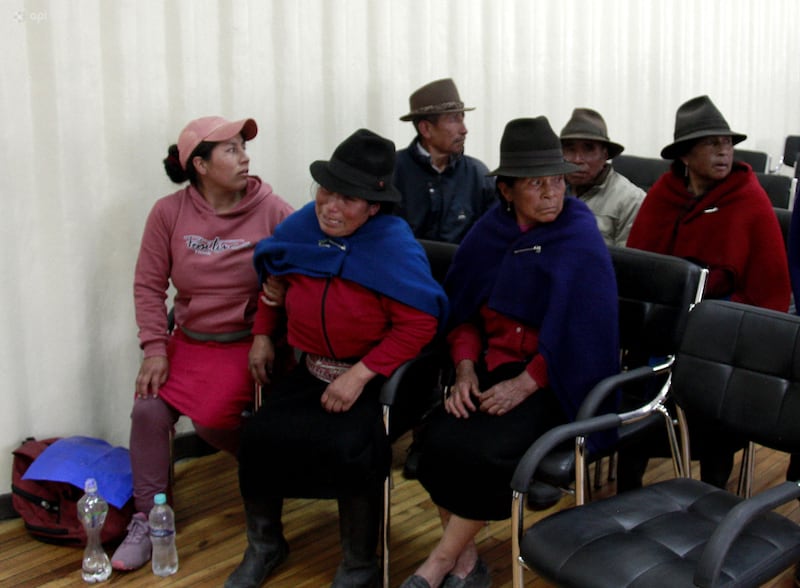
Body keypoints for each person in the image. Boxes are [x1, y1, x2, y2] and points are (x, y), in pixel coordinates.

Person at [400, 117, 620, 588]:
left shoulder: (577, 234)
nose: (551, 194)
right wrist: (463, 370)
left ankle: (439, 562)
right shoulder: (488, 234)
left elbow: (587, 332)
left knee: (487, 451)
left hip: (554, 375)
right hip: (487, 366)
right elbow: (464, 314)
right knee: (435, 439)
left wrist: (528, 381)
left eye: (557, 181)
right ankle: (466, 563)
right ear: (506, 190)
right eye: (536, 184)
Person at [226, 129, 448, 588]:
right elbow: (274, 278)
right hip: (310, 370)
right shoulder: (303, 228)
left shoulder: (393, 244)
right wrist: (263, 336)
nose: (330, 206)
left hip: (376, 378)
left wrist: (360, 376)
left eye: (348, 199)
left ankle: (358, 562)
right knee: (258, 436)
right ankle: (265, 545)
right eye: (327, 191)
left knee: (353, 448)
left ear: (373, 206)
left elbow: (419, 325)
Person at [112, 116, 294, 571]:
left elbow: (298, 272)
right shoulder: (168, 212)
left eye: (243, 147)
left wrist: (269, 325)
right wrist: (155, 347)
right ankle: (151, 521)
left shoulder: (272, 210)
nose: (245, 156)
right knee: (147, 408)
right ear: (200, 164)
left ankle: (273, 471)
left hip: (247, 343)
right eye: (230, 149)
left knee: (214, 420)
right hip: (189, 340)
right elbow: (149, 285)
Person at [621, 95, 791, 490]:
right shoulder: (664, 197)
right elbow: (642, 273)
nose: (724, 151)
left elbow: (771, 294)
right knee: (632, 398)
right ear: (684, 154)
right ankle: (624, 493)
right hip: (662, 334)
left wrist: (708, 326)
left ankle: (713, 498)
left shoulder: (748, 200)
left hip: (727, 341)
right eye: (711, 143)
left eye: (727, 143)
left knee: (717, 412)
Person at [393, 78, 496, 244]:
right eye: (454, 119)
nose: (464, 130)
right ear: (426, 129)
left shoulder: (479, 176)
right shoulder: (393, 172)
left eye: (462, 118)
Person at [560, 107, 644, 247]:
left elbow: (631, 264)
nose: (577, 159)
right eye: (570, 149)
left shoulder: (631, 200)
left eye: (588, 149)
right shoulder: (550, 190)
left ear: (605, 155)